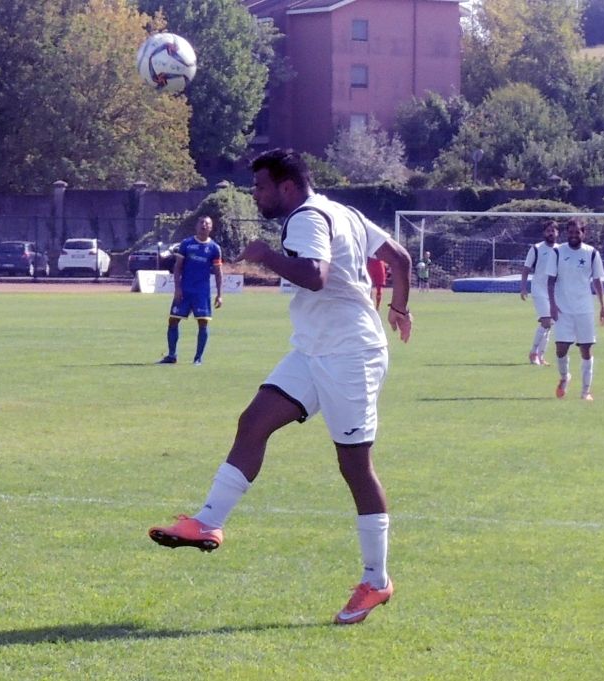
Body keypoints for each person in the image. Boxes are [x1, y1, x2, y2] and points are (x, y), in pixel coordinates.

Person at [148, 148, 413, 625]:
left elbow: (316, 275)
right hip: (314, 349)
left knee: (355, 467)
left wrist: (266, 255)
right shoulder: (343, 212)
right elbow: (400, 257)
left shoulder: (305, 217)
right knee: (253, 422)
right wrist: (400, 307)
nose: (257, 195)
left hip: (349, 355)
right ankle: (207, 523)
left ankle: (376, 582)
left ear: (287, 187)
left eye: (262, 187)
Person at [547, 217, 604, 401]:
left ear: (584, 233)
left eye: (577, 232)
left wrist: (603, 306)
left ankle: (585, 391)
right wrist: (552, 305)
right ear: (567, 233)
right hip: (563, 309)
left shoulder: (592, 253)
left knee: (586, 350)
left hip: (584, 309)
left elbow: (597, 281)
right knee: (561, 349)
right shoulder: (557, 252)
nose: (574, 235)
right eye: (571, 232)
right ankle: (565, 377)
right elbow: (550, 281)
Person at [155, 215, 223, 365]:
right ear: (196, 226)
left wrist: (219, 295)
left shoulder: (214, 248)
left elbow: (218, 272)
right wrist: (177, 288)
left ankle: (198, 358)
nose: (203, 225)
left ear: (211, 228)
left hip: (202, 293)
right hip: (184, 290)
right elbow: (178, 267)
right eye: (201, 223)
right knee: (173, 320)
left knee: (203, 323)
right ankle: (172, 356)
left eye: (207, 223)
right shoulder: (186, 244)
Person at [519, 220, 559, 366]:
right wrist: (523, 288)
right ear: (544, 232)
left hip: (554, 292)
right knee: (546, 321)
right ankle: (533, 352)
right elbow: (526, 269)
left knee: (549, 325)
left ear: (557, 233)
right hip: (539, 289)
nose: (551, 233)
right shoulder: (536, 248)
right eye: (548, 230)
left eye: (553, 231)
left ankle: (541, 356)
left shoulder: (560, 250)